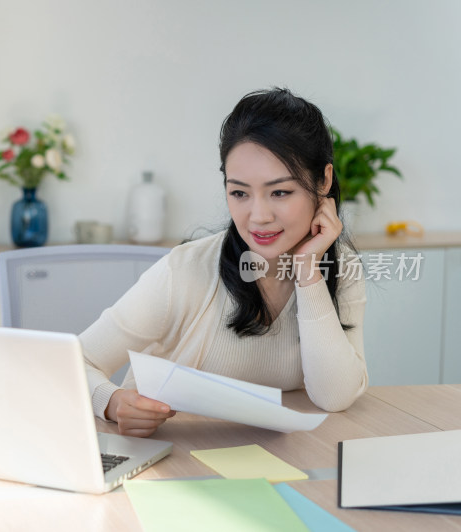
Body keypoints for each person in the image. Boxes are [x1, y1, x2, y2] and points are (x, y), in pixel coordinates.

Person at [81, 88, 367, 437]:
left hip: (276, 463)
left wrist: (308, 273)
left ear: (323, 180)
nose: (258, 216)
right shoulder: (184, 271)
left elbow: (334, 396)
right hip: (172, 464)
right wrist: (110, 402)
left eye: (280, 192)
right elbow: (75, 362)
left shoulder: (340, 267)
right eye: (239, 193)